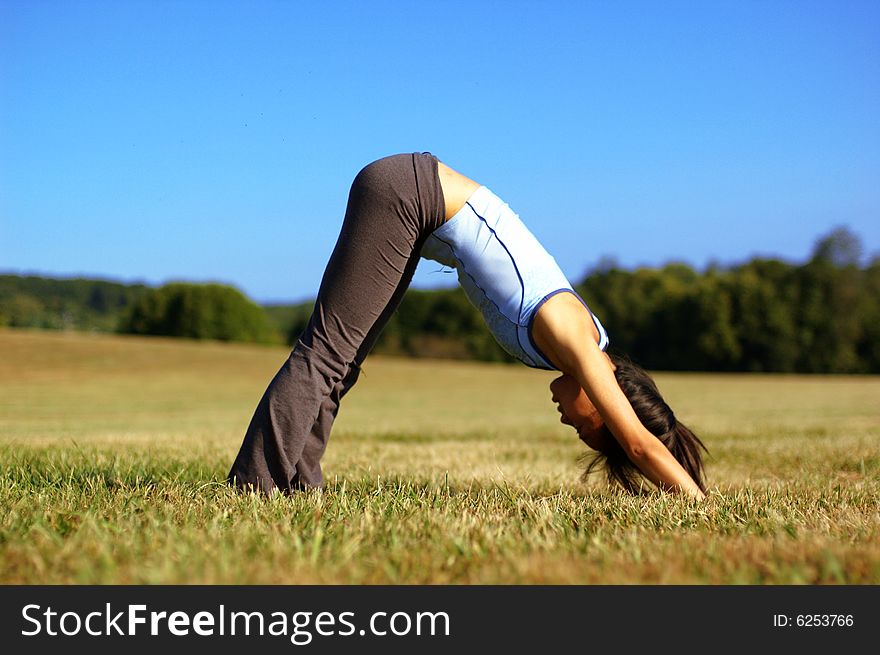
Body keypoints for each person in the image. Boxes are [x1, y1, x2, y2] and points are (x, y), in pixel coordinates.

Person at [227, 152, 707, 499]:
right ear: (604, 407)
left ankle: (299, 484)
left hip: (414, 206)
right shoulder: (577, 340)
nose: (570, 425)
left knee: (342, 361)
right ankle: (254, 484)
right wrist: (700, 506)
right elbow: (639, 444)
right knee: (327, 352)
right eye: (586, 429)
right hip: (408, 194)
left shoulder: (575, 345)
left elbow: (639, 443)